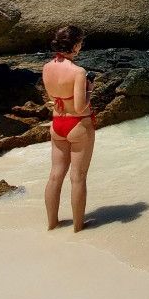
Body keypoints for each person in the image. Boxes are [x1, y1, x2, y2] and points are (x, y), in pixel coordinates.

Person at [41, 25, 96, 232]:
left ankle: (52, 224)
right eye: (80, 43)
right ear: (74, 45)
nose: (81, 46)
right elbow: (81, 106)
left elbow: (53, 98)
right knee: (78, 177)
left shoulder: (47, 67)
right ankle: (78, 227)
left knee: (55, 176)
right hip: (78, 124)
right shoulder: (78, 72)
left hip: (57, 124)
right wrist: (89, 90)